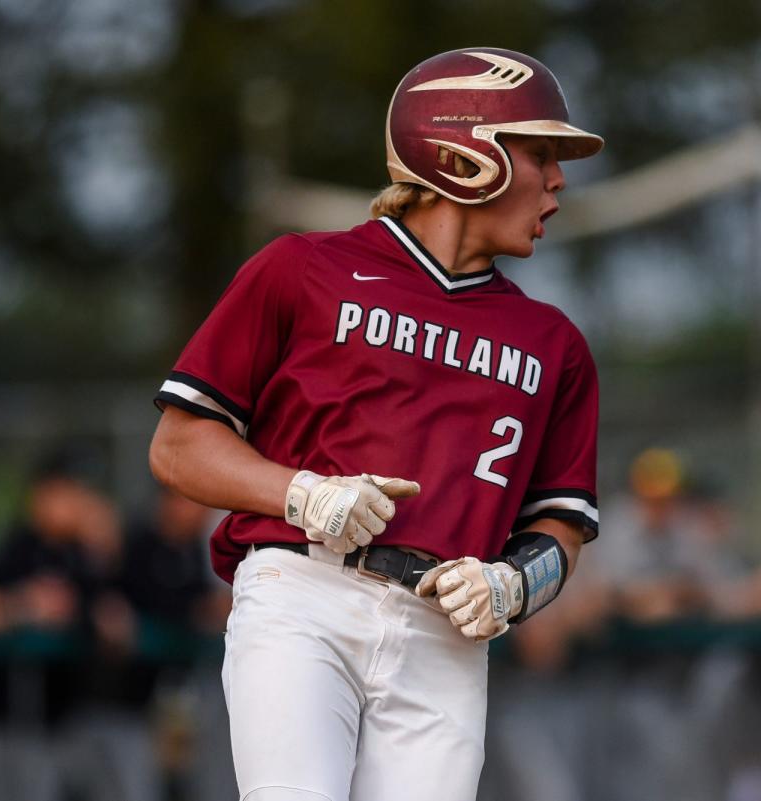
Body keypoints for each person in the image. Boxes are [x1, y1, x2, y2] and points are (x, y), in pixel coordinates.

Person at [149, 47, 602, 801]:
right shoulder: (302, 268)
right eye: (539, 152)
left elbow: (560, 524)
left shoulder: (555, 343)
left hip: (447, 631)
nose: (557, 179)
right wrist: (303, 492)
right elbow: (179, 444)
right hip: (303, 590)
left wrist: (513, 583)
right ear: (464, 151)